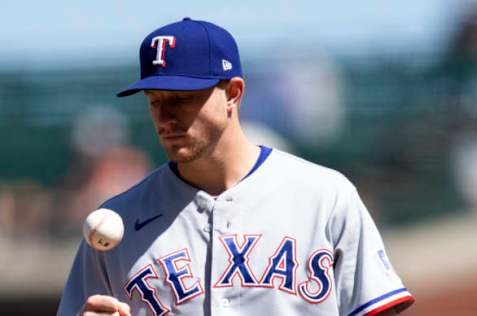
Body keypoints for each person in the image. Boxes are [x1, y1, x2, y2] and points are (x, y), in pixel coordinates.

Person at [57, 18, 414, 316]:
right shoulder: (116, 219)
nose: (165, 118)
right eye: (155, 101)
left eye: (182, 100)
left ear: (233, 93)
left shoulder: (325, 197)